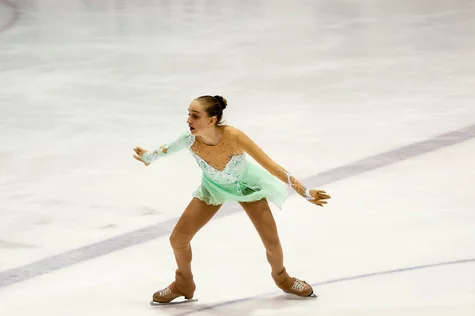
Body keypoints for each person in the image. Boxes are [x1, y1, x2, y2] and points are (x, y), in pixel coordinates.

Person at [133, 95, 331, 304]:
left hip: (246, 188)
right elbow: (165, 149)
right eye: (188, 114)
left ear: (212, 120)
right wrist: (148, 157)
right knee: (178, 240)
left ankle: (284, 280)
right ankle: (183, 283)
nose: (188, 120)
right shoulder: (189, 139)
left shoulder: (234, 137)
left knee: (272, 243)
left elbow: (271, 165)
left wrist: (304, 191)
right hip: (213, 190)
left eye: (194, 115)